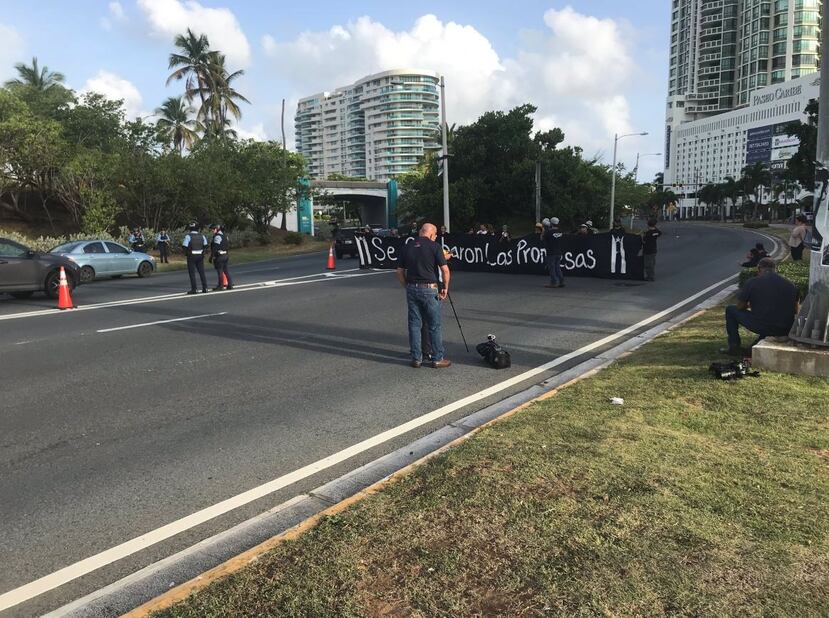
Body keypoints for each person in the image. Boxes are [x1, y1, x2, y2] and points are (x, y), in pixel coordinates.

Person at [396, 223, 451, 368]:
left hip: (412, 288)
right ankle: (437, 358)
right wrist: (445, 288)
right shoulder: (435, 247)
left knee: (414, 324)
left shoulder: (407, 246)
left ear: (421, 232)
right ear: (432, 234)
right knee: (434, 325)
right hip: (429, 288)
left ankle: (416, 358)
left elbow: (399, 271)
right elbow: (445, 270)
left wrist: (406, 285)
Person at [723, 258, 798, 356]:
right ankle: (752, 347)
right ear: (776, 269)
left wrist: (750, 305)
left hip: (763, 326)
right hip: (785, 327)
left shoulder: (752, 282)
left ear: (759, 269)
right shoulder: (790, 285)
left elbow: (740, 307)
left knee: (730, 310)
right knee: (770, 317)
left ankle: (734, 346)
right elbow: (796, 310)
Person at [182, 222, 209, 294]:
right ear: (198, 229)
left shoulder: (188, 236)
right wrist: (203, 252)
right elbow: (206, 246)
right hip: (200, 255)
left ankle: (194, 289)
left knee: (192, 273)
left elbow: (184, 246)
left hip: (192, 256)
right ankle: (205, 288)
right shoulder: (202, 236)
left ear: (190, 229)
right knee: (202, 272)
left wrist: (187, 253)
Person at [209, 223, 233, 291]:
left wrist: (211, 257)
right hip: (225, 255)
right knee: (226, 271)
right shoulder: (225, 236)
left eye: (213, 229)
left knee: (220, 271)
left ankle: (220, 286)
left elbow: (215, 247)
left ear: (216, 229)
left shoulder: (217, 237)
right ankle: (230, 284)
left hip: (220, 256)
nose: (212, 231)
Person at [543, 217, 565, 288]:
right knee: (557, 267)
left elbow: (542, 238)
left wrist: (545, 229)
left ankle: (553, 282)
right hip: (558, 252)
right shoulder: (560, 231)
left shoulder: (549, 232)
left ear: (551, 223)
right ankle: (561, 281)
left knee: (552, 268)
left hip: (551, 253)